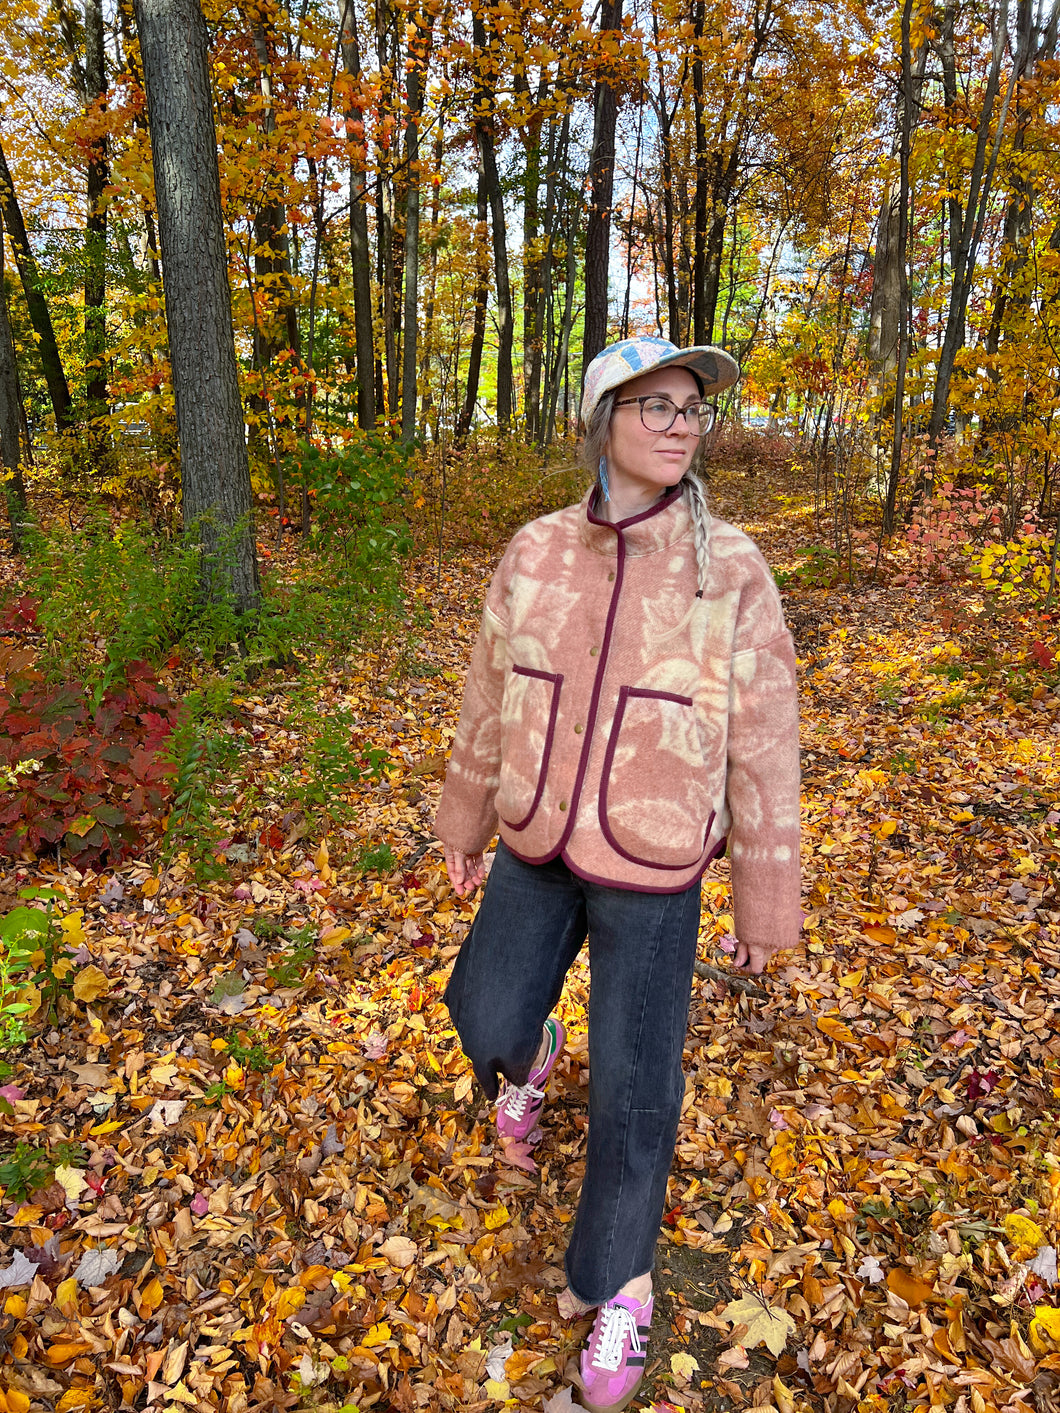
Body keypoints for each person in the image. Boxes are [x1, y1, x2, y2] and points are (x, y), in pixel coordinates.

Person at [434, 336, 802, 1413]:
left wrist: (764, 893)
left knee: (638, 1090)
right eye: (654, 405)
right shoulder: (535, 549)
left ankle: (619, 1284)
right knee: (487, 1015)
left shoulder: (728, 565)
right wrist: (463, 816)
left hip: (657, 857)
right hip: (534, 836)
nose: (680, 424)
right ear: (601, 422)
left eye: (691, 408)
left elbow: (767, 734)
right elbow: (486, 685)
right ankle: (533, 1053)